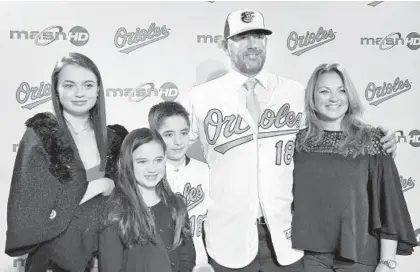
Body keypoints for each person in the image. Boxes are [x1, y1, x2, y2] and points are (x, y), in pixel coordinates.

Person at [183, 8, 398, 272]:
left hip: (287, 241)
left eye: (259, 37)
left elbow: (334, 126)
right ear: (225, 46)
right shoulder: (200, 98)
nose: (252, 45)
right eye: (242, 38)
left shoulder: (294, 92)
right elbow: (170, 149)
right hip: (227, 239)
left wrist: (378, 137)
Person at [291, 63, 417, 272]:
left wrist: (387, 262)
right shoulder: (297, 143)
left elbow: (389, 204)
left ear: (350, 96)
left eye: (342, 90)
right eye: (324, 91)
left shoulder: (373, 140)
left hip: (360, 256)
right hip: (308, 258)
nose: (334, 98)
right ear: (312, 98)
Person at [5, 52, 123, 271]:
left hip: (103, 256)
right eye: (69, 85)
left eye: (88, 85)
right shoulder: (41, 136)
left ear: (98, 90)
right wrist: (100, 185)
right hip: (53, 258)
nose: (79, 93)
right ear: (56, 91)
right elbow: (35, 208)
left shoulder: (114, 139)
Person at [99, 128, 196, 272]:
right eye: (142, 161)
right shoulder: (116, 212)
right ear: (128, 163)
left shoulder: (177, 205)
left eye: (158, 160)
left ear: (165, 158)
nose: (152, 169)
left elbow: (187, 258)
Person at [149, 101, 210, 266]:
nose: (178, 141)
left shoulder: (206, 172)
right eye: (169, 134)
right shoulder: (148, 176)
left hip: (202, 264)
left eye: (183, 133)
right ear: (155, 135)